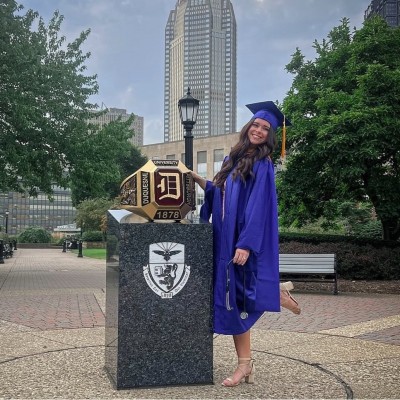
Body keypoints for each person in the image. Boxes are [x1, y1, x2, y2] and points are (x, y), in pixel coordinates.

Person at [190, 101, 300, 387]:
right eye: (256, 125)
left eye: (265, 128)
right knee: (234, 299)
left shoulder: (263, 164)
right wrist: (198, 179)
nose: (259, 131)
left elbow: (259, 206)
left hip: (238, 243)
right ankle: (246, 363)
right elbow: (219, 193)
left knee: (238, 298)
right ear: (248, 127)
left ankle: (272, 298)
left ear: (271, 135)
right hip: (224, 241)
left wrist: (246, 244)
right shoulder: (233, 158)